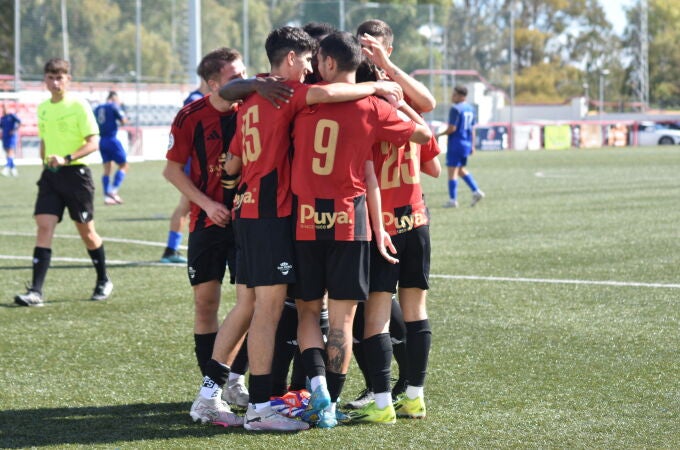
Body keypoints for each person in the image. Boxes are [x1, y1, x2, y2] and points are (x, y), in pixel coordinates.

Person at [194, 25, 404, 432]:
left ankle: (209, 395)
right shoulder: (285, 93)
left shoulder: (253, 98)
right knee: (267, 313)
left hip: (247, 211)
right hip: (272, 215)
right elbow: (326, 94)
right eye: (306, 60)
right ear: (290, 59)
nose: (310, 69)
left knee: (248, 307)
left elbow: (232, 164)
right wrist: (375, 90)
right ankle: (258, 408)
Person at [291, 31, 432, 429]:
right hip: (363, 221)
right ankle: (335, 402)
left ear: (330, 64)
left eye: (318, 59)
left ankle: (320, 385)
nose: (315, 66)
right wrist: (394, 99)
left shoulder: (304, 99)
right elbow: (424, 137)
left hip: (308, 219)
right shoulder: (374, 108)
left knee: (307, 311)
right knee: (345, 321)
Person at [344, 18, 438, 412]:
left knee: (376, 315)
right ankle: (415, 397)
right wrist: (404, 107)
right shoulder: (405, 114)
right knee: (416, 310)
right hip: (416, 218)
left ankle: (381, 400)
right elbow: (431, 154)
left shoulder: (363, 112)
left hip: (380, 224)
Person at [163, 47, 247, 428]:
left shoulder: (254, 108)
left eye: (244, 73)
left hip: (252, 221)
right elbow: (171, 170)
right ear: (213, 84)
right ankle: (211, 387)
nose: (243, 81)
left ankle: (236, 379)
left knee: (253, 303)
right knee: (205, 303)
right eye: (235, 77)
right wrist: (207, 203)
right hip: (207, 221)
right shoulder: (190, 117)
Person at [14, 58, 113, 307]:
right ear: (44, 79)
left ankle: (103, 279)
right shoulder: (44, 108)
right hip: (51, 176)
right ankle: (36, 291)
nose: (55, 82)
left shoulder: (78, 105)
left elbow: (93, 142)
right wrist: (44, 161)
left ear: (68, 79)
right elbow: (45, 140)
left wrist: (67, 158)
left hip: (77, 175)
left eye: (60, 77)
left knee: (87, 232)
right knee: (44, 226)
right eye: (50, 77)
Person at [159, 80, 210, 263]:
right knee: (185, 208)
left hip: (195, 167)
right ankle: (171, 250)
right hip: (191, 168)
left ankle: (171, 250)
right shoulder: (195, 100)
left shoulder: (199, 98)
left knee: (185, 208)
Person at [437, 85, 485, 207]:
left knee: (452, 172)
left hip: (456, 143)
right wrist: (472, 145)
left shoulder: (455, 109)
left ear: (461, 96)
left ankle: (453, 200)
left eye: (454, 95)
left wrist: (438, 135)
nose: (452, 97)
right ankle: (476, 191)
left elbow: (452, 128)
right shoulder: (470, 109)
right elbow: (472, 129)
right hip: (466, 143)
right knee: (460, 170)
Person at [94, 91, 128, 205]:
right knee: (124, 165)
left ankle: (107, 197)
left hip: (102, 140)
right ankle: (113, 191)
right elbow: (123, 121)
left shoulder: (98, 108)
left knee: (107, 169)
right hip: (112, 139)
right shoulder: (113, 106)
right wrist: (124, 112)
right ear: (114, 98)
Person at [1, 102, 21, 177]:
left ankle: (6, 168)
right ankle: (13, 169)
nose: (4, 109)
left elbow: (20, 122)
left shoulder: (12, 116)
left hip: (11, 137)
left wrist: (14, 130)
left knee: (10, 153)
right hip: (4, 138)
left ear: (8, 108)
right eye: (3, 107)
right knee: (8, 154)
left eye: (5, 107)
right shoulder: (2, 118)